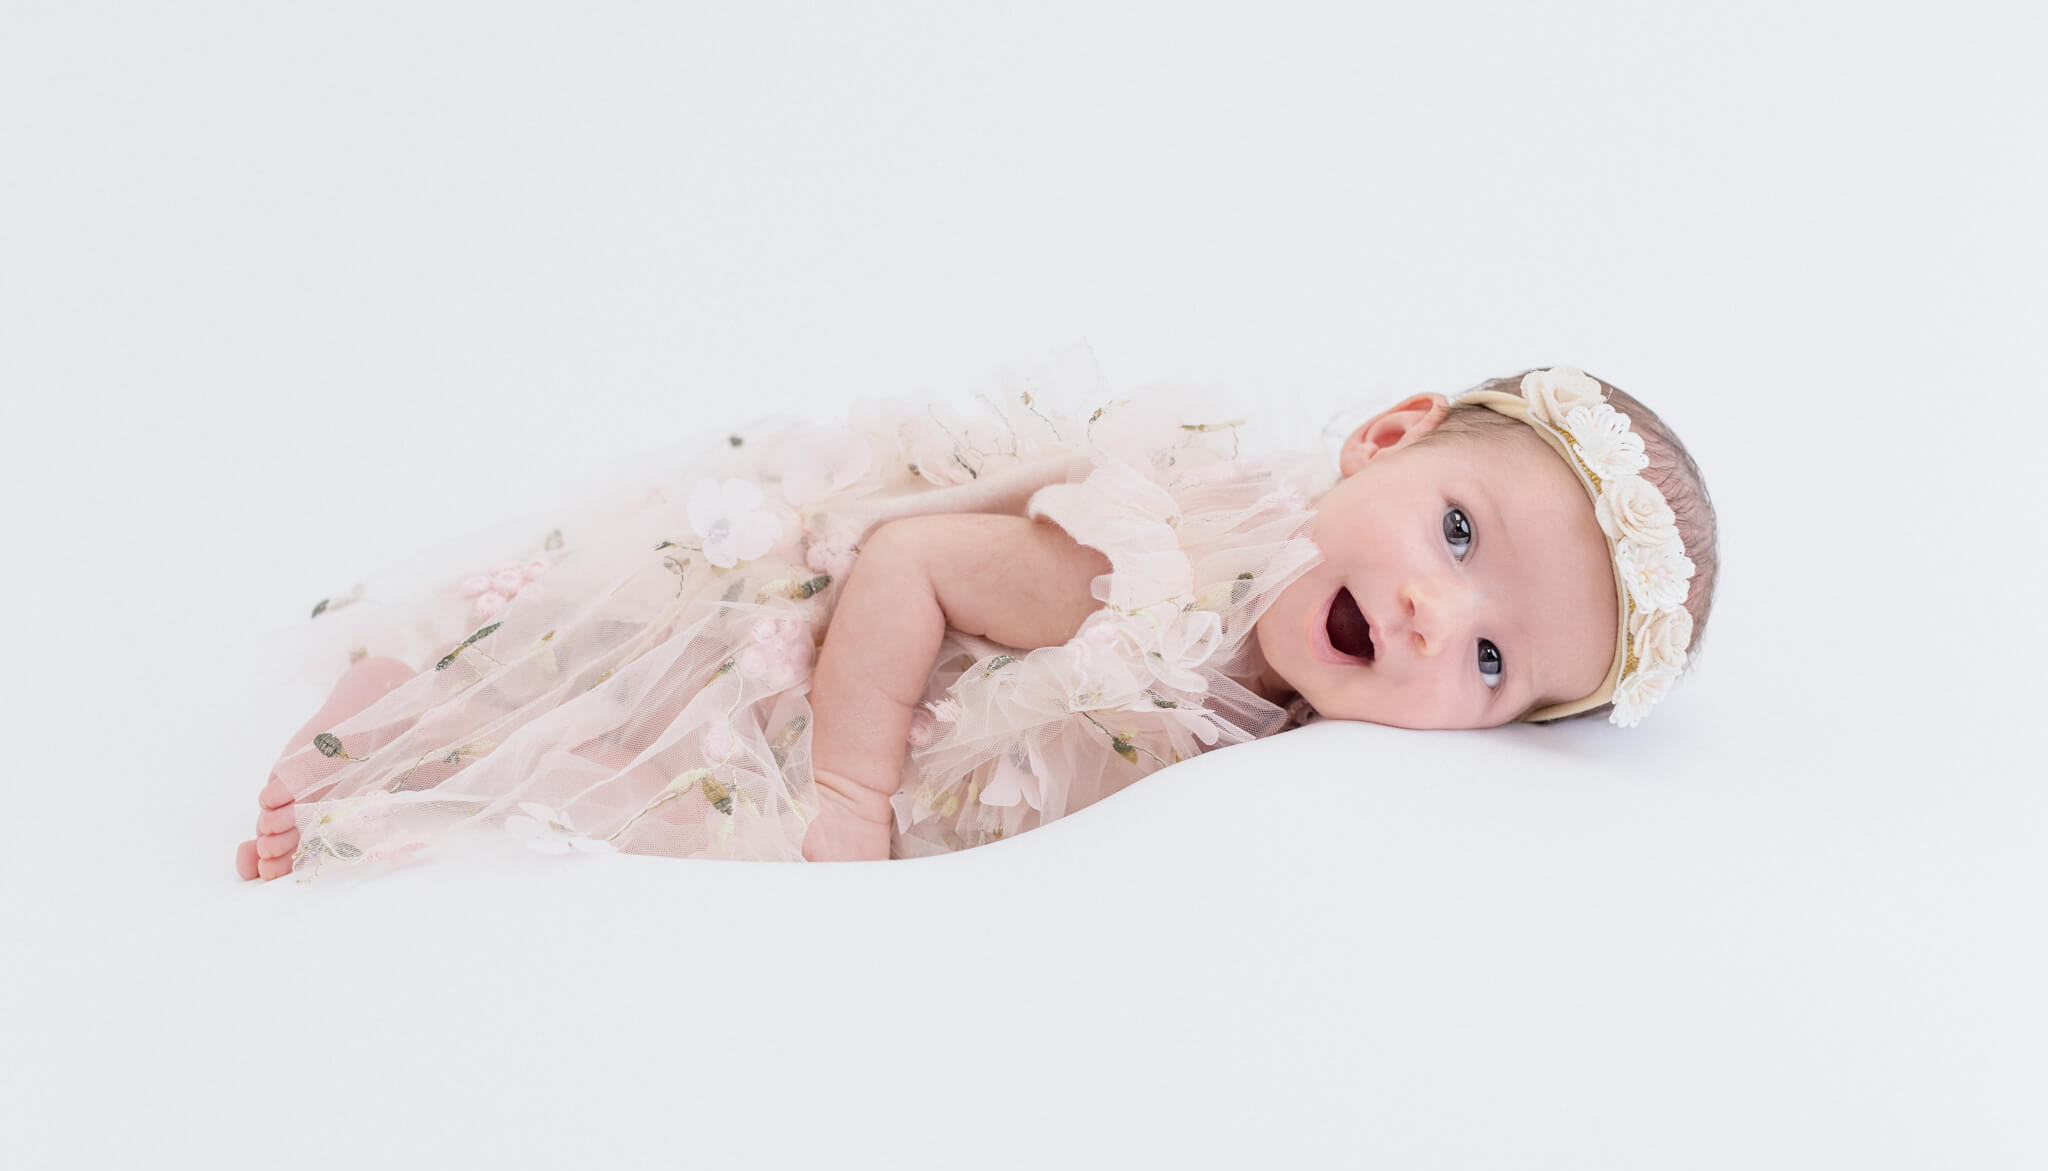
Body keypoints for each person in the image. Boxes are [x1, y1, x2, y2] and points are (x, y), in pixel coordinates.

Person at [236, 345, 1718, 880]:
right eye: (1457, 534)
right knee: (635, 692)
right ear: (1386, 438)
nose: (1422, 609)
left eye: (1489, 655)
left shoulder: (1323, 735)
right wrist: (853, 786)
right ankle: (389, 715)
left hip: (912, 647)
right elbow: (908, 573)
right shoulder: (1153, 576)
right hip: (825, 617)